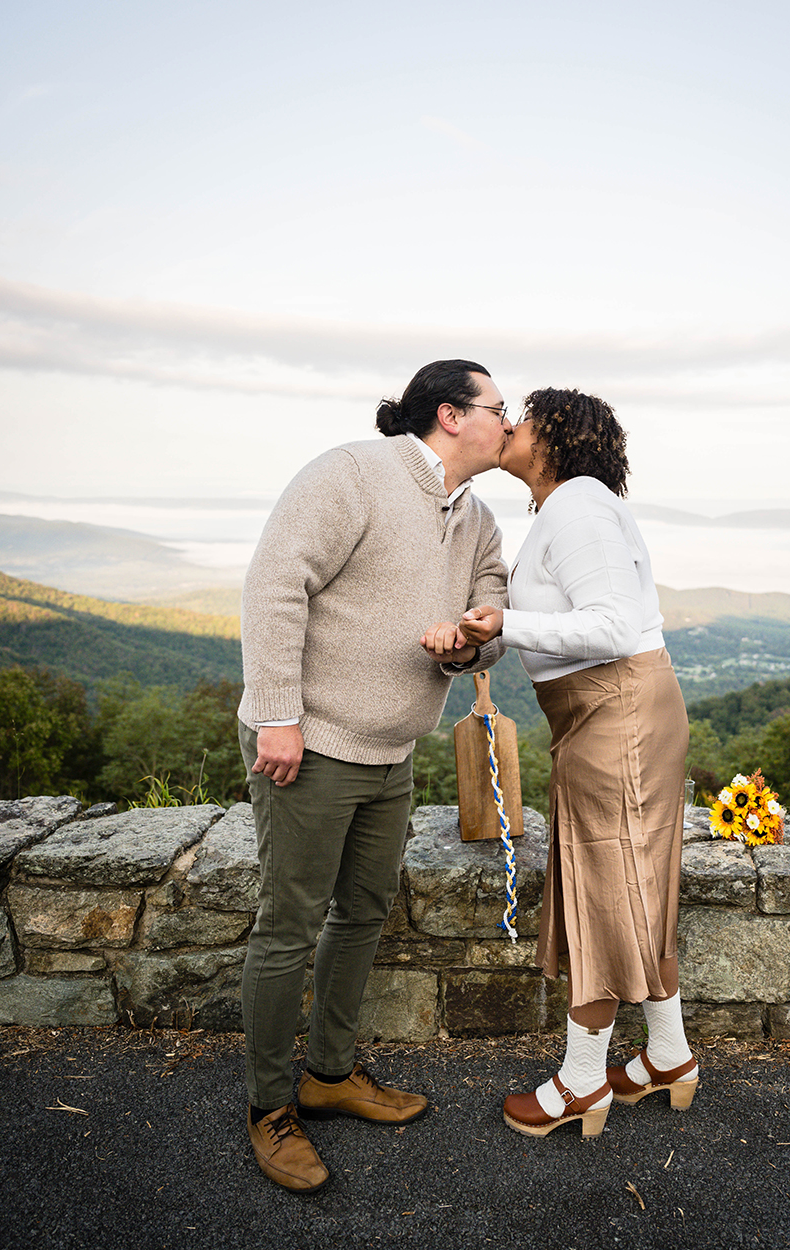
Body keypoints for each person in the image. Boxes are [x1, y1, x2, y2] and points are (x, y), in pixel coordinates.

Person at [237, 360, 511, 1190]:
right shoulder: (353, 472)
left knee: (361, 916)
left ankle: (328, 1074)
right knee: (289, 927)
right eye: (501, 407)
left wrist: (467, 642)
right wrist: (278, 713)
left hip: (392, 752)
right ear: (451, 415)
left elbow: (491, 616)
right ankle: (267, 1107)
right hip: (311, 743)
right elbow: (276, 582)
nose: (512, 421)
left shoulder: (479, 518)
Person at [459, 387, 697, 1139]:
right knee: (631, 882)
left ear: (556, 434)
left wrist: (505, 621)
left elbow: (611, 623)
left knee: (603, 886)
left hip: (614, 712)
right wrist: (492, 639)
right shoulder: (567, 507)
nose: (509, 425)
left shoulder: (578, 504)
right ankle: (668, 1056)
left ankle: (583, 1082)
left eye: (522, 415)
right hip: (610, 711)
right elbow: (570, 623)